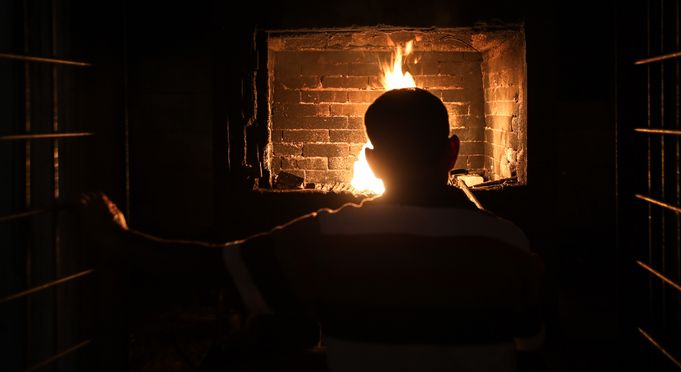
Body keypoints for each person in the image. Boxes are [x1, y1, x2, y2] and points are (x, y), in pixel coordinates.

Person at [80, 87, 544, 372]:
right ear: (452, 153)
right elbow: (534, 344)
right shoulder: (508, 244)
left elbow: (213, 265)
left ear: (372, 163)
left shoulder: (331, 240)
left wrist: (118, 238)